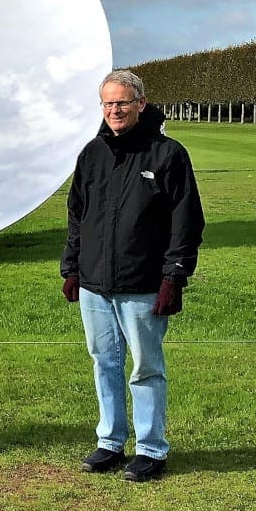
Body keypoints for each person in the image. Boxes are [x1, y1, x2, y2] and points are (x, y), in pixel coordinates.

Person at [60, 70, 204, 483]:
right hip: (94, 284)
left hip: (143, 284)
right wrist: (72, 267)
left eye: (122, 102)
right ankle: (110, 441)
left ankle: (151, 449)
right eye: (107, 104)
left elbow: (186, 220)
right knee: (104, 363)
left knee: (145, 367)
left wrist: (174, 276)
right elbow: (77, 215)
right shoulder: (91, 154)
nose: (114, 110)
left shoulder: (167, 154)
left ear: (140, 103)